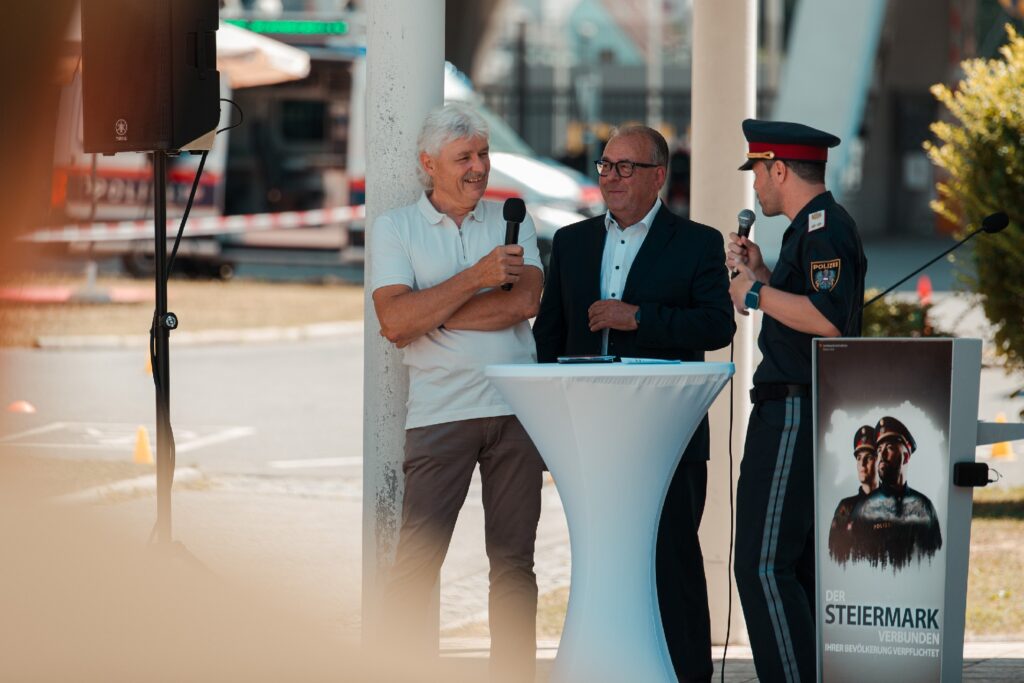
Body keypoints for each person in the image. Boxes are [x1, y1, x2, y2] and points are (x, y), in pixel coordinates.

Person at [533, 124, 735, 683]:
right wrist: (548, 429)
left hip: (667, 438)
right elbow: (549, 338)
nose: (612, 178)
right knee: (604, 564)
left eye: (626, 167)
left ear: (658, 176)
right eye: (605, 166)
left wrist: (639, 316)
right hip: (592, 440)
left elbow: (718, 324)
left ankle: (687, 675)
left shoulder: (696, 242)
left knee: (672, 563)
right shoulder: (572, 243)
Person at [370, 103, 546, 682]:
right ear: (428, 164)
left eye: (483, 154)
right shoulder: (396, 228)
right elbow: (394, 323)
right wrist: (475, 279)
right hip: (441, 415)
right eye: (464, 157)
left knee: (514, 565)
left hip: (516, 413)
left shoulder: (512, 220)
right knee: (417, 565)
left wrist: (434, 310)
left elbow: (523, 304)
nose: (479, 168)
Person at [727, 119, 867, 683]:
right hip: (796, 404)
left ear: (778, 168)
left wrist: (755, 291)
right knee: (791, 566)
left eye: (758, 172)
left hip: (795, 407)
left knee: (763, 564)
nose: (755, 187)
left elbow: (828, 320)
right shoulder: (808, 230)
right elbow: (809, 302)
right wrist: (762, 272)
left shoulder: (824, 227)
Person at [848, 416, 942, 570]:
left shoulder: (924, 506)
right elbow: (852, 562)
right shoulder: (864, 508)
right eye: (879, 450)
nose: (882, 455)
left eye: (889, 448)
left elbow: (934, 558)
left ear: (905, 456)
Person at [827, 425, 877, 565]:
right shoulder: (846, 507)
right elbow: (834, 554)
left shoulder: (892, 502)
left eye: (869, 457)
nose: (862, 463)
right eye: (859, 457)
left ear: (879, 461)